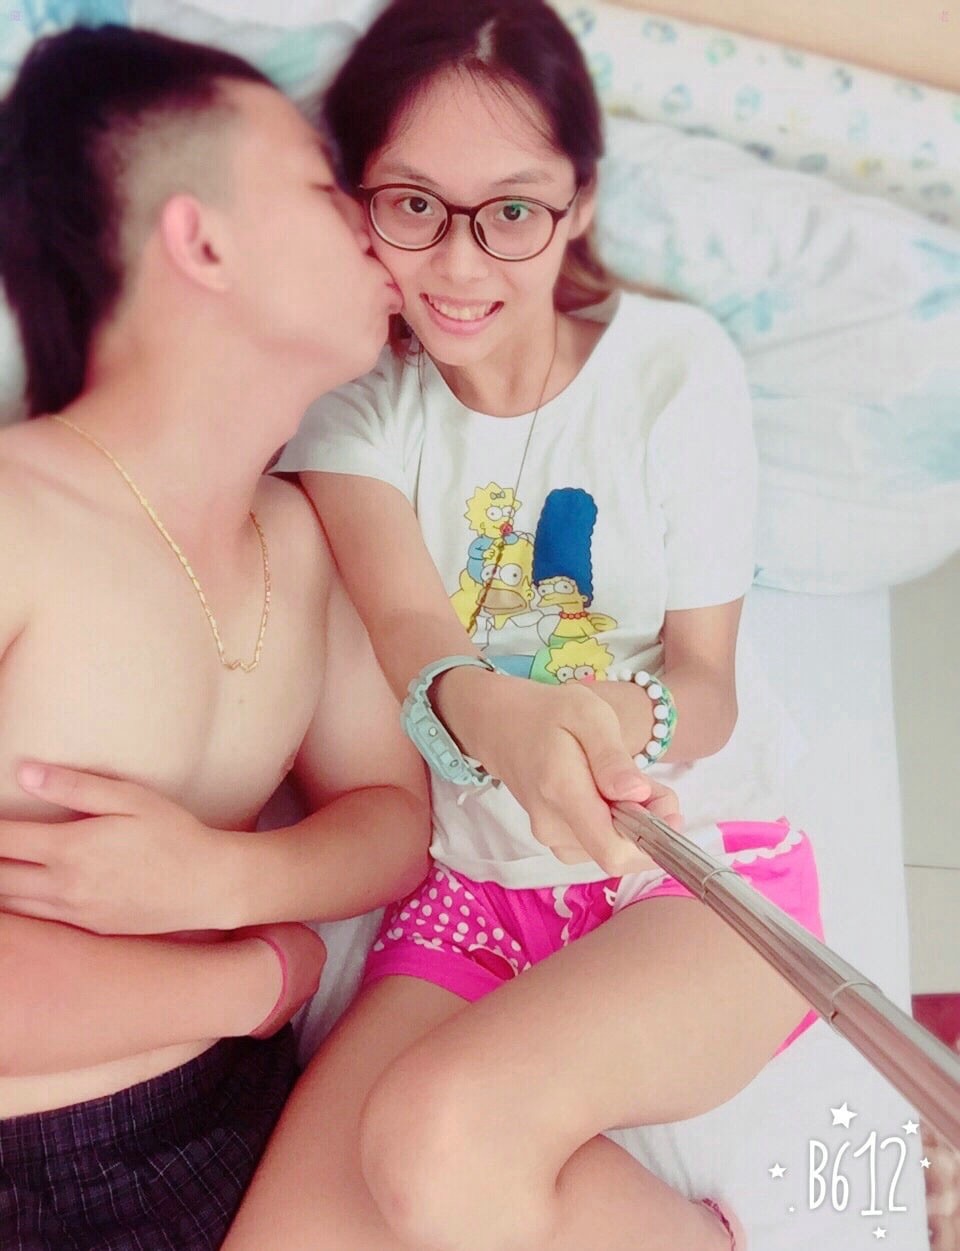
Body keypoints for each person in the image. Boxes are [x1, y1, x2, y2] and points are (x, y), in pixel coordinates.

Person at [217, 3, 827, 1249]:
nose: (459, 265)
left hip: (689, 872)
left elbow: (706, 684)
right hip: (477, 902)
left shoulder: (672, 369)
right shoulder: (355, 412)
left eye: (510, 211)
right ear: (360, 203)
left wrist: (613, 719)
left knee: (438, 1136)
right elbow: (413, 634)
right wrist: (507, 721)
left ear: (579, 203)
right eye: (413, 204)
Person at [0, 25, 433, 1250]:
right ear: (201, 242)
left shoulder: (301, 537)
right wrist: (256, 976)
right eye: (325, 186)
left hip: (264, 1120)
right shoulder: (16, 515)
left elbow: (391, 822)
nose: (379, 228)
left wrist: (225, 882)